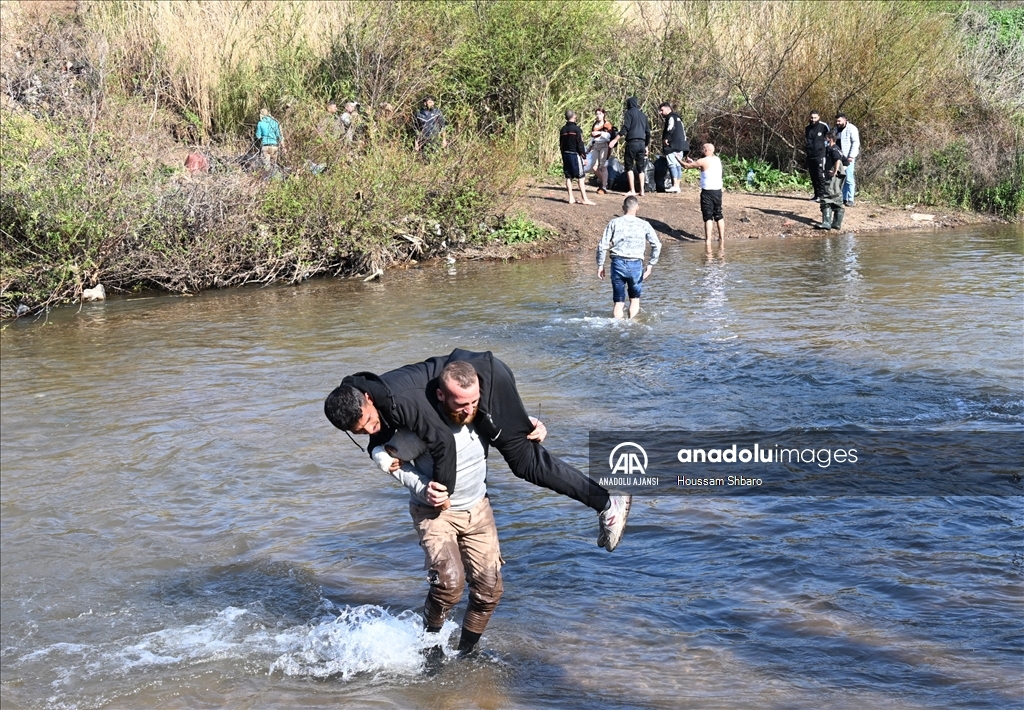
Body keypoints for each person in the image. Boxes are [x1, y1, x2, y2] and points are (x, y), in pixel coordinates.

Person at [324, 349, 632, 552]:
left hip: (486, 381)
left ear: (368, 398)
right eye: (358, 430)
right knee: (513, 437)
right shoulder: (355, 401)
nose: (369, 429)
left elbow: (443, 443)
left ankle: (608, 502)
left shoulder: (399, 401)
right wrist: (376, 450)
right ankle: (519, 423)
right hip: (460, 394)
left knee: (525, 463)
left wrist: (443, 493)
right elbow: (381, 435)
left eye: (367, 421)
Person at [370, 362, 504, 656]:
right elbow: (387, 459)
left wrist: (534, 425)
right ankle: (429, 649)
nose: (469, 410)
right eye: (461, 403)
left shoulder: (484, 415)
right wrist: (422, 487)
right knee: (449, 584)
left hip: (477, 509)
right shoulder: (421, 428)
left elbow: (516, 431)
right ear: (442, 396)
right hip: (434, 514)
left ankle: (468, 654)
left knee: (489, 590)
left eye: (474, 402)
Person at [596, 195, 662, 320]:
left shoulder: (614, 223)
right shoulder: (644, 224)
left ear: (623, 208)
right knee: (635, 299)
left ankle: (617, 327)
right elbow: (657, 245)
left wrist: (600, 265)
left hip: (617, 263)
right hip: (636, 264)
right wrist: (651, 264)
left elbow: (602, 245)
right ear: (638, 208)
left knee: (619, 302)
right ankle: (633, 325)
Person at [680, 143, 725, 242]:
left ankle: (708, 240)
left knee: (708, 216)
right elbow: (705, 168)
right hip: (718, 191)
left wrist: (677, 159)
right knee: (718, 214)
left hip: (707, 192)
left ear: (705, 150)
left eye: (702, 148)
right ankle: (722, 238)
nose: (701, 150)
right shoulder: (717, 160)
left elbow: (686, 166)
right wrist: (695, 164)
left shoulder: (703, 160)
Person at [560, 110, 595, 205]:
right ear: (574, 117)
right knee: (581, 177)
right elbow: (580, 144)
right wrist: (584, 157)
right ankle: (584, 198)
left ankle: (570, 198)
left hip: (565, 154)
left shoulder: (563, 130)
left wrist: (562, 155)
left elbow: (561, 145)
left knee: (568, 176)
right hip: (575, 155)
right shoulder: (576, 129)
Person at [815, 132, 849, 230]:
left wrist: (835, 171)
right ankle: (836, 223)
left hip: (833, 174)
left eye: (825, 139)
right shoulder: (838, 148)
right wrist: (840, 172)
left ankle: (826, 223)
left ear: (830, 139)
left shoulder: (832, 149)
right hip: (839, 174)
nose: (824, 141)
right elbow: (846, 162)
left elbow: (837, 159)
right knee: (836, 195)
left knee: (827, 196)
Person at [620, 96, 651, 197]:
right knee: (640, 168)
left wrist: (617, 137)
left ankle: (632, 190)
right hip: (642, 143)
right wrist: (646, 145)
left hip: (632, 142)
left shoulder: (629, 113)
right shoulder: (643, 115)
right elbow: (648, 132)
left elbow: (626, 127)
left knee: (629, 166)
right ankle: (642, 190)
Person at [659, 102, 689, 193]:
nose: (660, 112)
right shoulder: (679, 118)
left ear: (668, 109)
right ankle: (677, 186)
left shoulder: (671, 117)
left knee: (672, 164)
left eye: (662, 110)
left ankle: (675, 185)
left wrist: (666, 138)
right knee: (678, 165)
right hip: (681, 145)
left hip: (673, 145)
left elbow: (670, 127)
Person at [834, 112, 860, 207]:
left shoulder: (852, 129)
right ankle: (844, 198)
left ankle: (850, 198)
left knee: (849, 179)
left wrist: (851, 156)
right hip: (838, 158)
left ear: (845, 120)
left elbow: (855, 143)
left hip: (848, 158)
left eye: (839, 121)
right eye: (837, 121)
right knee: (842, 178)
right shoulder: (836, 130)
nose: (838, 122)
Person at [804, 111, 830, 201]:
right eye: (812, 117)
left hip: (820, 154)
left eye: (815, 118)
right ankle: (816, 195)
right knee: (813, 175)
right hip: (810, 155)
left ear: (819, 117)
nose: (813, 119)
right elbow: (807, 140)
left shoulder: (823, 126)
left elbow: (830, 139)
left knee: (820, 175)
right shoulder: (807, 128)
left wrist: (827, 151)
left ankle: (822, 195)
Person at [589, 108, 615, 194]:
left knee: (603, 166)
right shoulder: (594, 125)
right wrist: (589, 147)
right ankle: (604, 182)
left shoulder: (607, 124)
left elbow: (609, 136)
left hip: (604, 145)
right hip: (596, 145)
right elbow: (592, 137)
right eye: (596, 114)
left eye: (599, 114)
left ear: (603, 114)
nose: (598, 115)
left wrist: (600, 133)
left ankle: (604, 187)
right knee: (594, 167)